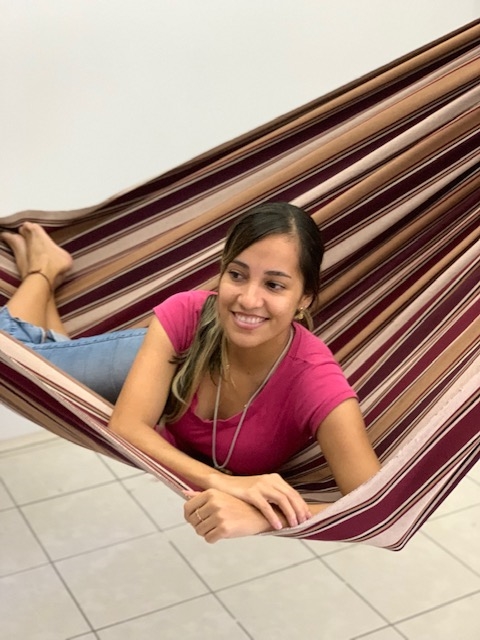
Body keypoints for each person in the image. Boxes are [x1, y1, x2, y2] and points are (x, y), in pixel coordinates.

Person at [1, 203, 381, 542]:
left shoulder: (314, 382)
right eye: (237, 275)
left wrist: (262, 519)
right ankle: (44, 270)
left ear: (304, 299)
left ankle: (53, 323)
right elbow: (127, 427)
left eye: (274, 285)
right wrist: (224, 483)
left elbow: (375, 510)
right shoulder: (186, 315)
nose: (248, 299)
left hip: (165, 381)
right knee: (14, 355)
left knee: (47, 361)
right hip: (158, 356)